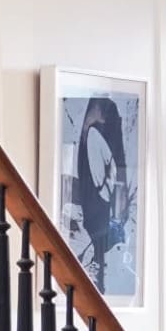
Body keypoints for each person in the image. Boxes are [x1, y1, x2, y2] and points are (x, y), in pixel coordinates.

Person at [68, 94, 135, 292]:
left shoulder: (92, 136)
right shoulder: (92, 136)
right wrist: (105, 188)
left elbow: (110, 170)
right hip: (97, 205)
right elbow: (108, 171)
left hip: (98, 205)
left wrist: (105, 188)